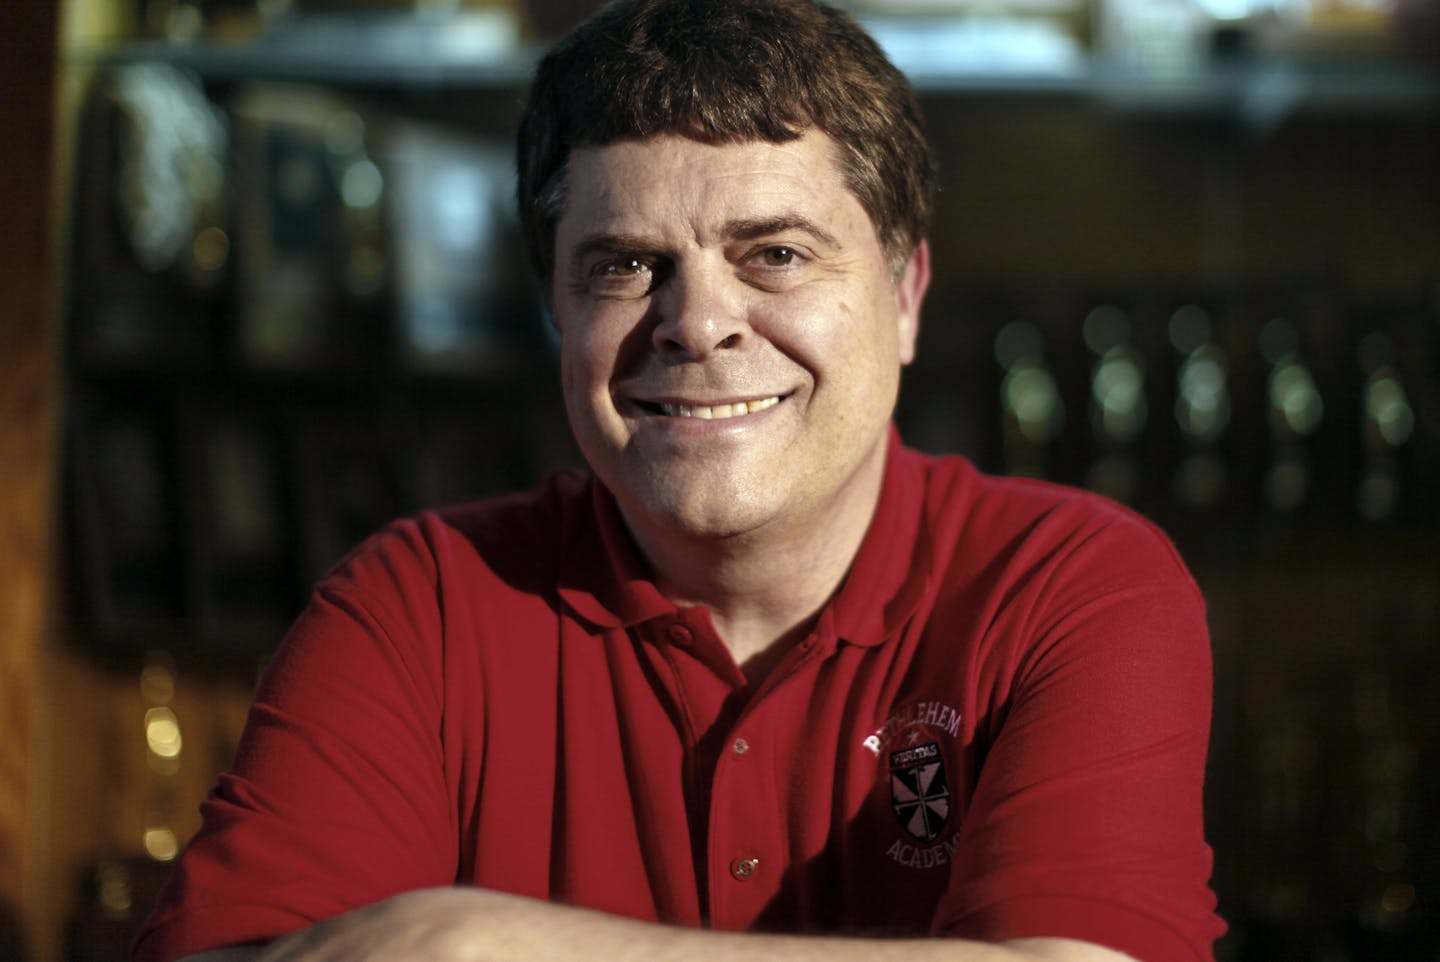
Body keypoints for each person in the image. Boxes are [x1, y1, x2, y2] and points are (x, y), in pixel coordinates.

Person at [134, 1, 1225, 960]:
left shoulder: (1071, 587)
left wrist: (480, 944)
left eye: (776, 254)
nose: (697, 322)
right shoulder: (417, 601)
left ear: (904, 294)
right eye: (624, 264)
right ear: (557, 308)